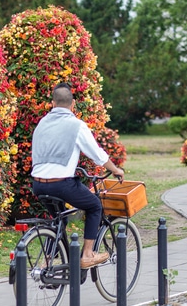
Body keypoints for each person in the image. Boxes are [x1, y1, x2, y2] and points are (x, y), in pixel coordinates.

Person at [31, 83, 125, 269]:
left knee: (59, 219)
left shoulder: (42, 123)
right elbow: (97, 154)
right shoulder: (76, 125)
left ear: (52, 103)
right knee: (94, 206)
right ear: (73, 104)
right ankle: (88, 255)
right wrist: (115, 170)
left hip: (38, 184)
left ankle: (47, 262)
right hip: (61, 184)